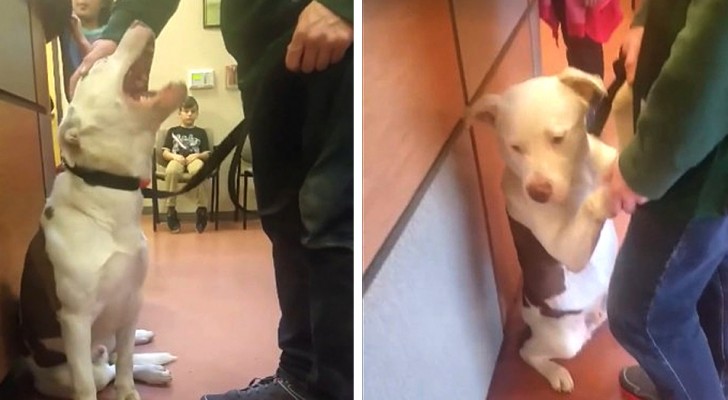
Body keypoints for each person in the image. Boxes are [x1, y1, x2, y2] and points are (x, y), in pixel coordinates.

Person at [69, 1, 354, 400]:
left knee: (332, 217)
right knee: (283, 218)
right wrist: (116, 32)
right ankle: (298, 377)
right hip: (263, 52)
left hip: (340, 37)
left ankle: (333, 391)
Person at [602, 0, 728, 399]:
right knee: (709, 275)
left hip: (701, 172)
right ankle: (703, 377)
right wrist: (648, 19)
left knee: (645, 315)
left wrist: (643, 167)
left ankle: (697, 385)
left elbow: (716, 49)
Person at [161, 96, 211, 234]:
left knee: (199, 170)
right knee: (171, 171)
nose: (189, 114)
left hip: (194, 159)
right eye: (186, 111)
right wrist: (174, 156)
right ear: (180, 112)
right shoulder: (172, 131)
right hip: (176, 159)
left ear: (197, 113)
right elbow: (164, 153)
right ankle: (171, 210)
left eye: (193, 111)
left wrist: (197, 155)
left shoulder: (201, 133)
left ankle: (202, 210)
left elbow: (207, 154)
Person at [60, 0, 113, 100]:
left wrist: (80, 38)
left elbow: (102, 77)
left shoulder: (110, 36)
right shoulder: (62, 30)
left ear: (104, 3)